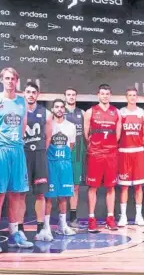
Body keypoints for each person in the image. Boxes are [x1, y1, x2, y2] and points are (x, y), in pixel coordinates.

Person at [0, 67, 33, 252]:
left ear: (16, 81)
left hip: (17, 150)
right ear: (2, 80)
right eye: (7, 78)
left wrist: (17, 145)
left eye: (13, 78)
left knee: (16, 195)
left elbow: (22, 126)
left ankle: (15, 234)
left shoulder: (21, 102)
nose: (10, 81)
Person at [84, 83, 121, 232]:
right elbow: (86, 134)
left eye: (107, 93)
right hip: (95, 153)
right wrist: (95, 146)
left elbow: (117, 134)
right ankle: (91, 219)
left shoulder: (116, 112)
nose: (105, 96)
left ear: (110, 95)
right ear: (98, 95)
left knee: (111, 187)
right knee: (93, 187)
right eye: (102, 93)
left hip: (111, 153)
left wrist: (110, 146)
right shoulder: (90, 111)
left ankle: (110, 218)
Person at [23, 82, 53, 241]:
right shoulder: (19, 111)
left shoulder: (46, 113)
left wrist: (40, 150)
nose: (31, 95)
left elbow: (48, 137)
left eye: (33, 92)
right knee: (19, 194)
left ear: (38, 94)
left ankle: (41, 229)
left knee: (40, 193)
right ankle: (19, 229)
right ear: (24, 93)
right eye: (28, 92)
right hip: (22, 155)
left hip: (39, 155)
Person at [44, 99, 77, 236]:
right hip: (51, 162)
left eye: (62, 107)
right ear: (52, 109)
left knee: (63, 196)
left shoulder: (71, 126)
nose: (59, 109)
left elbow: (71, 145)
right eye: (56, 107)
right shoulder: (47, 125)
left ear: (65, 109)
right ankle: (46, 227)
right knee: (49, 197)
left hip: (65, 163)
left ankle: (62, 225)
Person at [117, 88, 144, 227]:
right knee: (124, 187)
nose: (132, 97)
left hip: (138, 152)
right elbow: (118, 133)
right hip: (123, 152)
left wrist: (137, 145)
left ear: (137, 97)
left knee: (138, 186)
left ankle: (138, 216)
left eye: (134, 95)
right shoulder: (120, 112)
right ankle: (123, 216)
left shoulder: (143, 113)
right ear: (126, 97)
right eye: (129, 95)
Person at [64, 87, 86, 229]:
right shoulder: (59, 112)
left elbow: (86, 133)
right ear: (65, 96)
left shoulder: (82, 113)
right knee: (63, 186)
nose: (71, 97)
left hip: (78, 152)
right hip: (63, 153)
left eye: (73, 95)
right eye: (68, 95)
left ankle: (73, 218)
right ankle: (61, 219)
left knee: (75, 186)